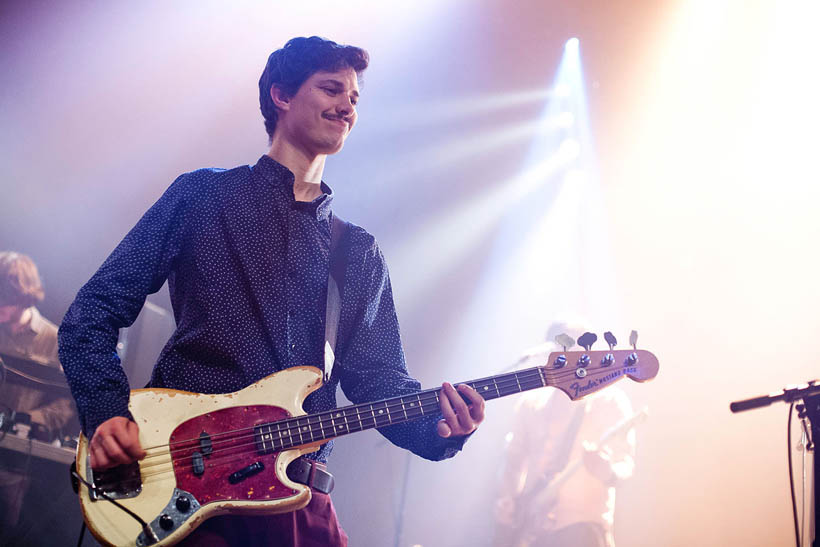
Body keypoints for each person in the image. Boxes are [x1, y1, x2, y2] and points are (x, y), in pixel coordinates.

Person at [58, 36, 484, 546]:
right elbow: (92, 312)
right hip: (184, 491)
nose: (347, 105)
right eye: (331, 88)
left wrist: (444, 427)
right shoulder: (202, 196)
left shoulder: (357, 251)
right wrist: (106, 412)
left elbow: (380, 383)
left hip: (296, 507)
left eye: (354, 98)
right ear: (281, 96)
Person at [493, 330, 637, 547]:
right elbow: (513, 460)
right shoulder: (530, 402)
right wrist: (507, 499)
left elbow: (626, 462)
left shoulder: (608, 400)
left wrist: (608, 472)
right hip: (532, 530)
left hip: (583, 528)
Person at [0, 251, 79, 540]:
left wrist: (25, 418)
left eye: (4, 300)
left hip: (17, 466)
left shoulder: (52, 340)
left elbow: (66, 402)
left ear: (21, 296)